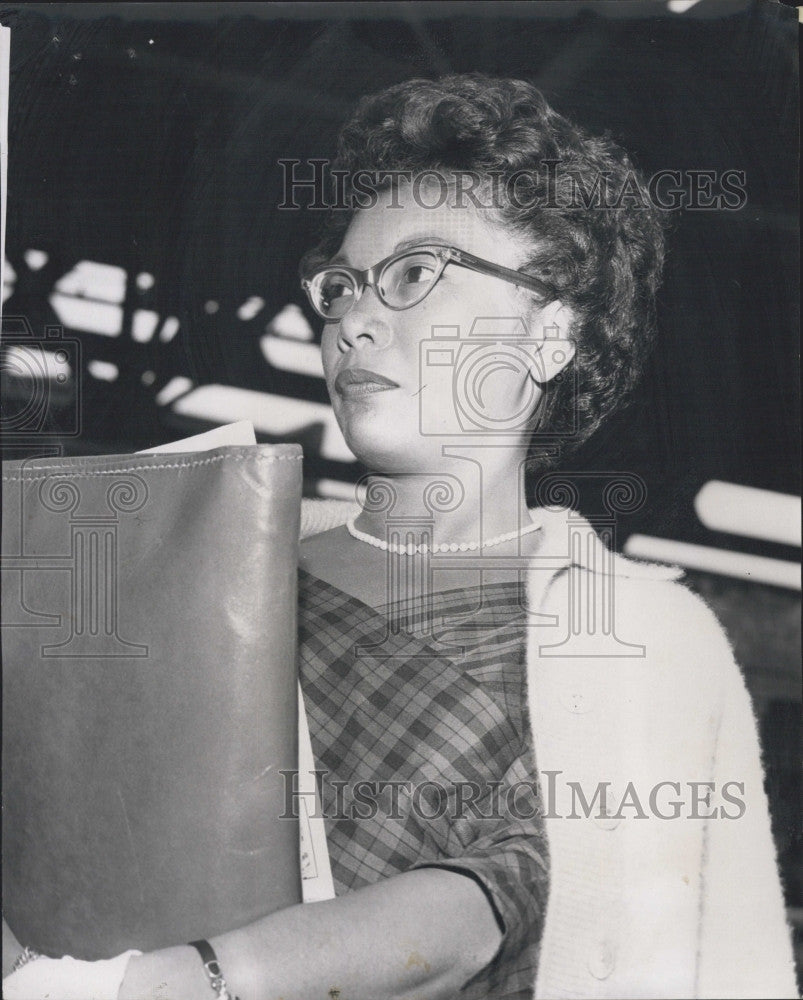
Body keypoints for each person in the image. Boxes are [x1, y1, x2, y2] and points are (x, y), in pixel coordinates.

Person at [3, 74, 797, 1000]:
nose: (352, 321)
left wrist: (165, 984)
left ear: (550, 332)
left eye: (415, 274)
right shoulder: (200, 568)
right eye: (337, 287)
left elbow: (518, 889)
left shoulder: (643, 636)